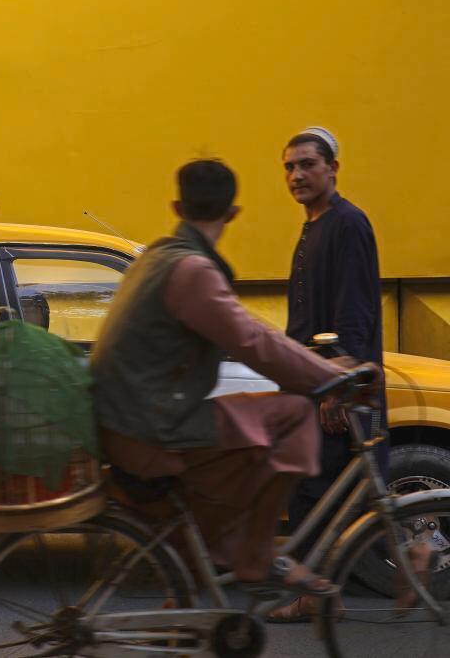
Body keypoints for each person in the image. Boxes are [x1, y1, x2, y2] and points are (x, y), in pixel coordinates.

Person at [92, 159, 377, 598]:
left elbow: (250, 329)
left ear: (177, 206)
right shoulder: (192, 271)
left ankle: (207, 566)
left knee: (248, 420)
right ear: (232, 214)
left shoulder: (159, 257)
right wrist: (329, 377)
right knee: (295, 414)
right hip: (151, 428)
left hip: (129, 421)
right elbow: (252, 342)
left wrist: (313, 364)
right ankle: (253, 554)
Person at [271, 126, 386, 620]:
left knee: (328, 491)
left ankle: (417, 552)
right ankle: (321, 596)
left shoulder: (348, 224)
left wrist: (338, 384)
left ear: (333, 168)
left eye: (306, 165)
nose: (296, 175)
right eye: (289, 168)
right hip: (313, 382)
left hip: (334, 386)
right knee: (312, 490)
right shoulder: (314, 225)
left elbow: (354, 310)